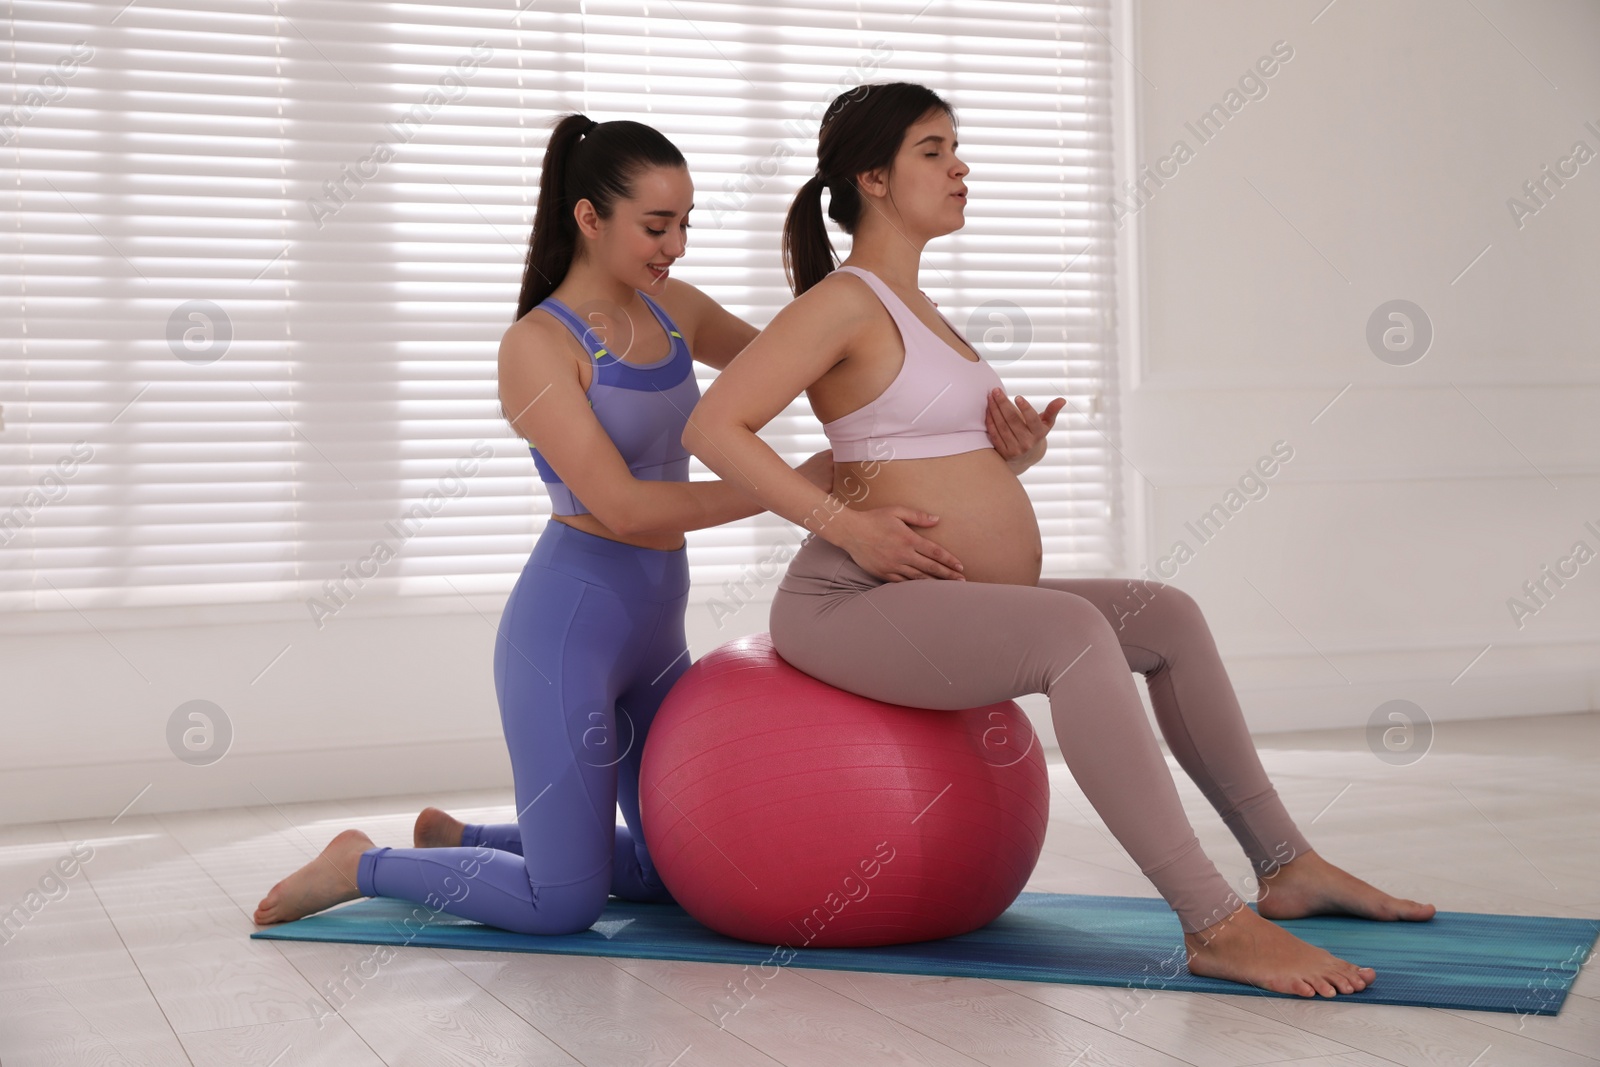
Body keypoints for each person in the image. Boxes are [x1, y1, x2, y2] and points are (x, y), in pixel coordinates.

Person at [680, 81, 1437, 998]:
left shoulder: (918, 307)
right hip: (846, 603)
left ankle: (1288, 865)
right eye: (932, 150)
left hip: (927, 593)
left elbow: (911, 462)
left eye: (956, 146)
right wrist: (846, 527)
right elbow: (714, 427)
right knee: (1074, 635)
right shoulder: (842, 302)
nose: (960, 166)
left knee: (1165, 615)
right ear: (872, 177)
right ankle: (1213, 924)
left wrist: (1010, 464)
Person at [253, 113, 836, 934]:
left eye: (685, 225)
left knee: (698, 869)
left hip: (655, 637)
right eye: (657, 226)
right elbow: (624, 508)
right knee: (563, 901)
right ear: (589, 218)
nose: (675, 247)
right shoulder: (536, 345)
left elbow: (812, 366)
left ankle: (470, 839)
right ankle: (361, 862)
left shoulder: (679, 312)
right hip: (568, 635)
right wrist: (789, 489)